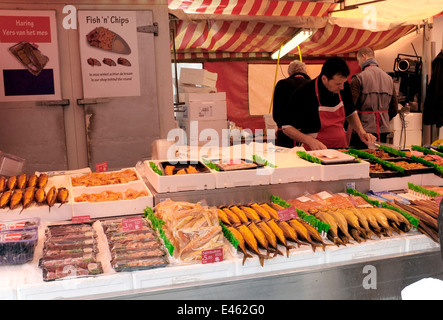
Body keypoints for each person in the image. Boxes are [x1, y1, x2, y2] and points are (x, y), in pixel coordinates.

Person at [281, 57, 376, 150]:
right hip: (314, 151)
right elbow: (286, 127)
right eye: (338, 84)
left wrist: (361, 132)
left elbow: (350, 112)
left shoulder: (344, 86)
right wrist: (309, 140)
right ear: (324, 79)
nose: (342, 87)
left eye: (344, 82)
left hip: (340, 148)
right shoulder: (304, 92)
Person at [349, 47, 398, 148]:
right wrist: (383, 119)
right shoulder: (389, 79)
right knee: (380, 159)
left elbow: (350, 108)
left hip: (362, 132)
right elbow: (394, 109)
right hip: (383, 130)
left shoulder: (358, 78)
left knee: (364, 161)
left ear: (364, 56)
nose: (359, 64)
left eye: (358, 61)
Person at [272, 60, 311, 148]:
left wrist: (279, 126)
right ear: (305, 71)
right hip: (307, 135)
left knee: (286, 160)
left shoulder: (281, 84)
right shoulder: (311, 84)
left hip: (284, 134)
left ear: (289, 73)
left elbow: (276, 113)